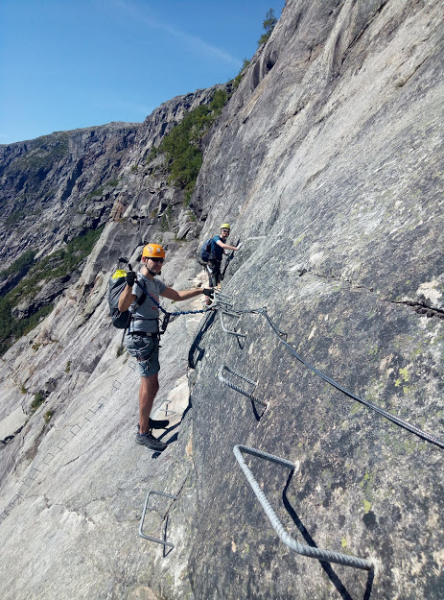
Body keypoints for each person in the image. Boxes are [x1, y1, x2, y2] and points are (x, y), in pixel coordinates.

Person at [118, 243, 213, 451]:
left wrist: (202, 290)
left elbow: (177, 295)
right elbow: (122, 306)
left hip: (148, 338)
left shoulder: (155, 283)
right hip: (141, 339)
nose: (159, 263)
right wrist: (128, 285)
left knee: (152, 384)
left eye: (161, 260)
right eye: (155, 260)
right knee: (150, 384)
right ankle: (143, 432)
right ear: (145, 260)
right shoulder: (139, 282)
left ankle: (145, 420)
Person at [204, 224, 241, 303]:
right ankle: (206, 302)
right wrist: (236, 248)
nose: (226, 232)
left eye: (227, 231)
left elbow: (220, 248)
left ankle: (210, 300)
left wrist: (224, 253)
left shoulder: (222, 240)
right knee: (211, 283)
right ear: (221, 231)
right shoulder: (216, 238)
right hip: (211, 263)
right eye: (224, 230)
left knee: (215, 282)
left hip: (216, 263)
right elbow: (222, 245)